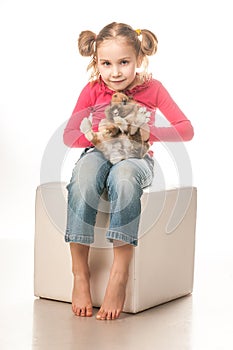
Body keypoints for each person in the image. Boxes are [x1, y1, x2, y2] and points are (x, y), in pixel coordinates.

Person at [63, 22, 194, 321]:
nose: (116, 72)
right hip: (97, 151)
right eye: (106, 63)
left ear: (139, 59)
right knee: (83, 177)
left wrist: (146, 132)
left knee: (123, 178)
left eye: (124, 62)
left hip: (136, 157)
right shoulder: (93, 89)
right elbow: (69, 135)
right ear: (96, 62)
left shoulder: (153, 88)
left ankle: (119, 275)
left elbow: (186, 130)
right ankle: (80, 273)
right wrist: (101, 135)